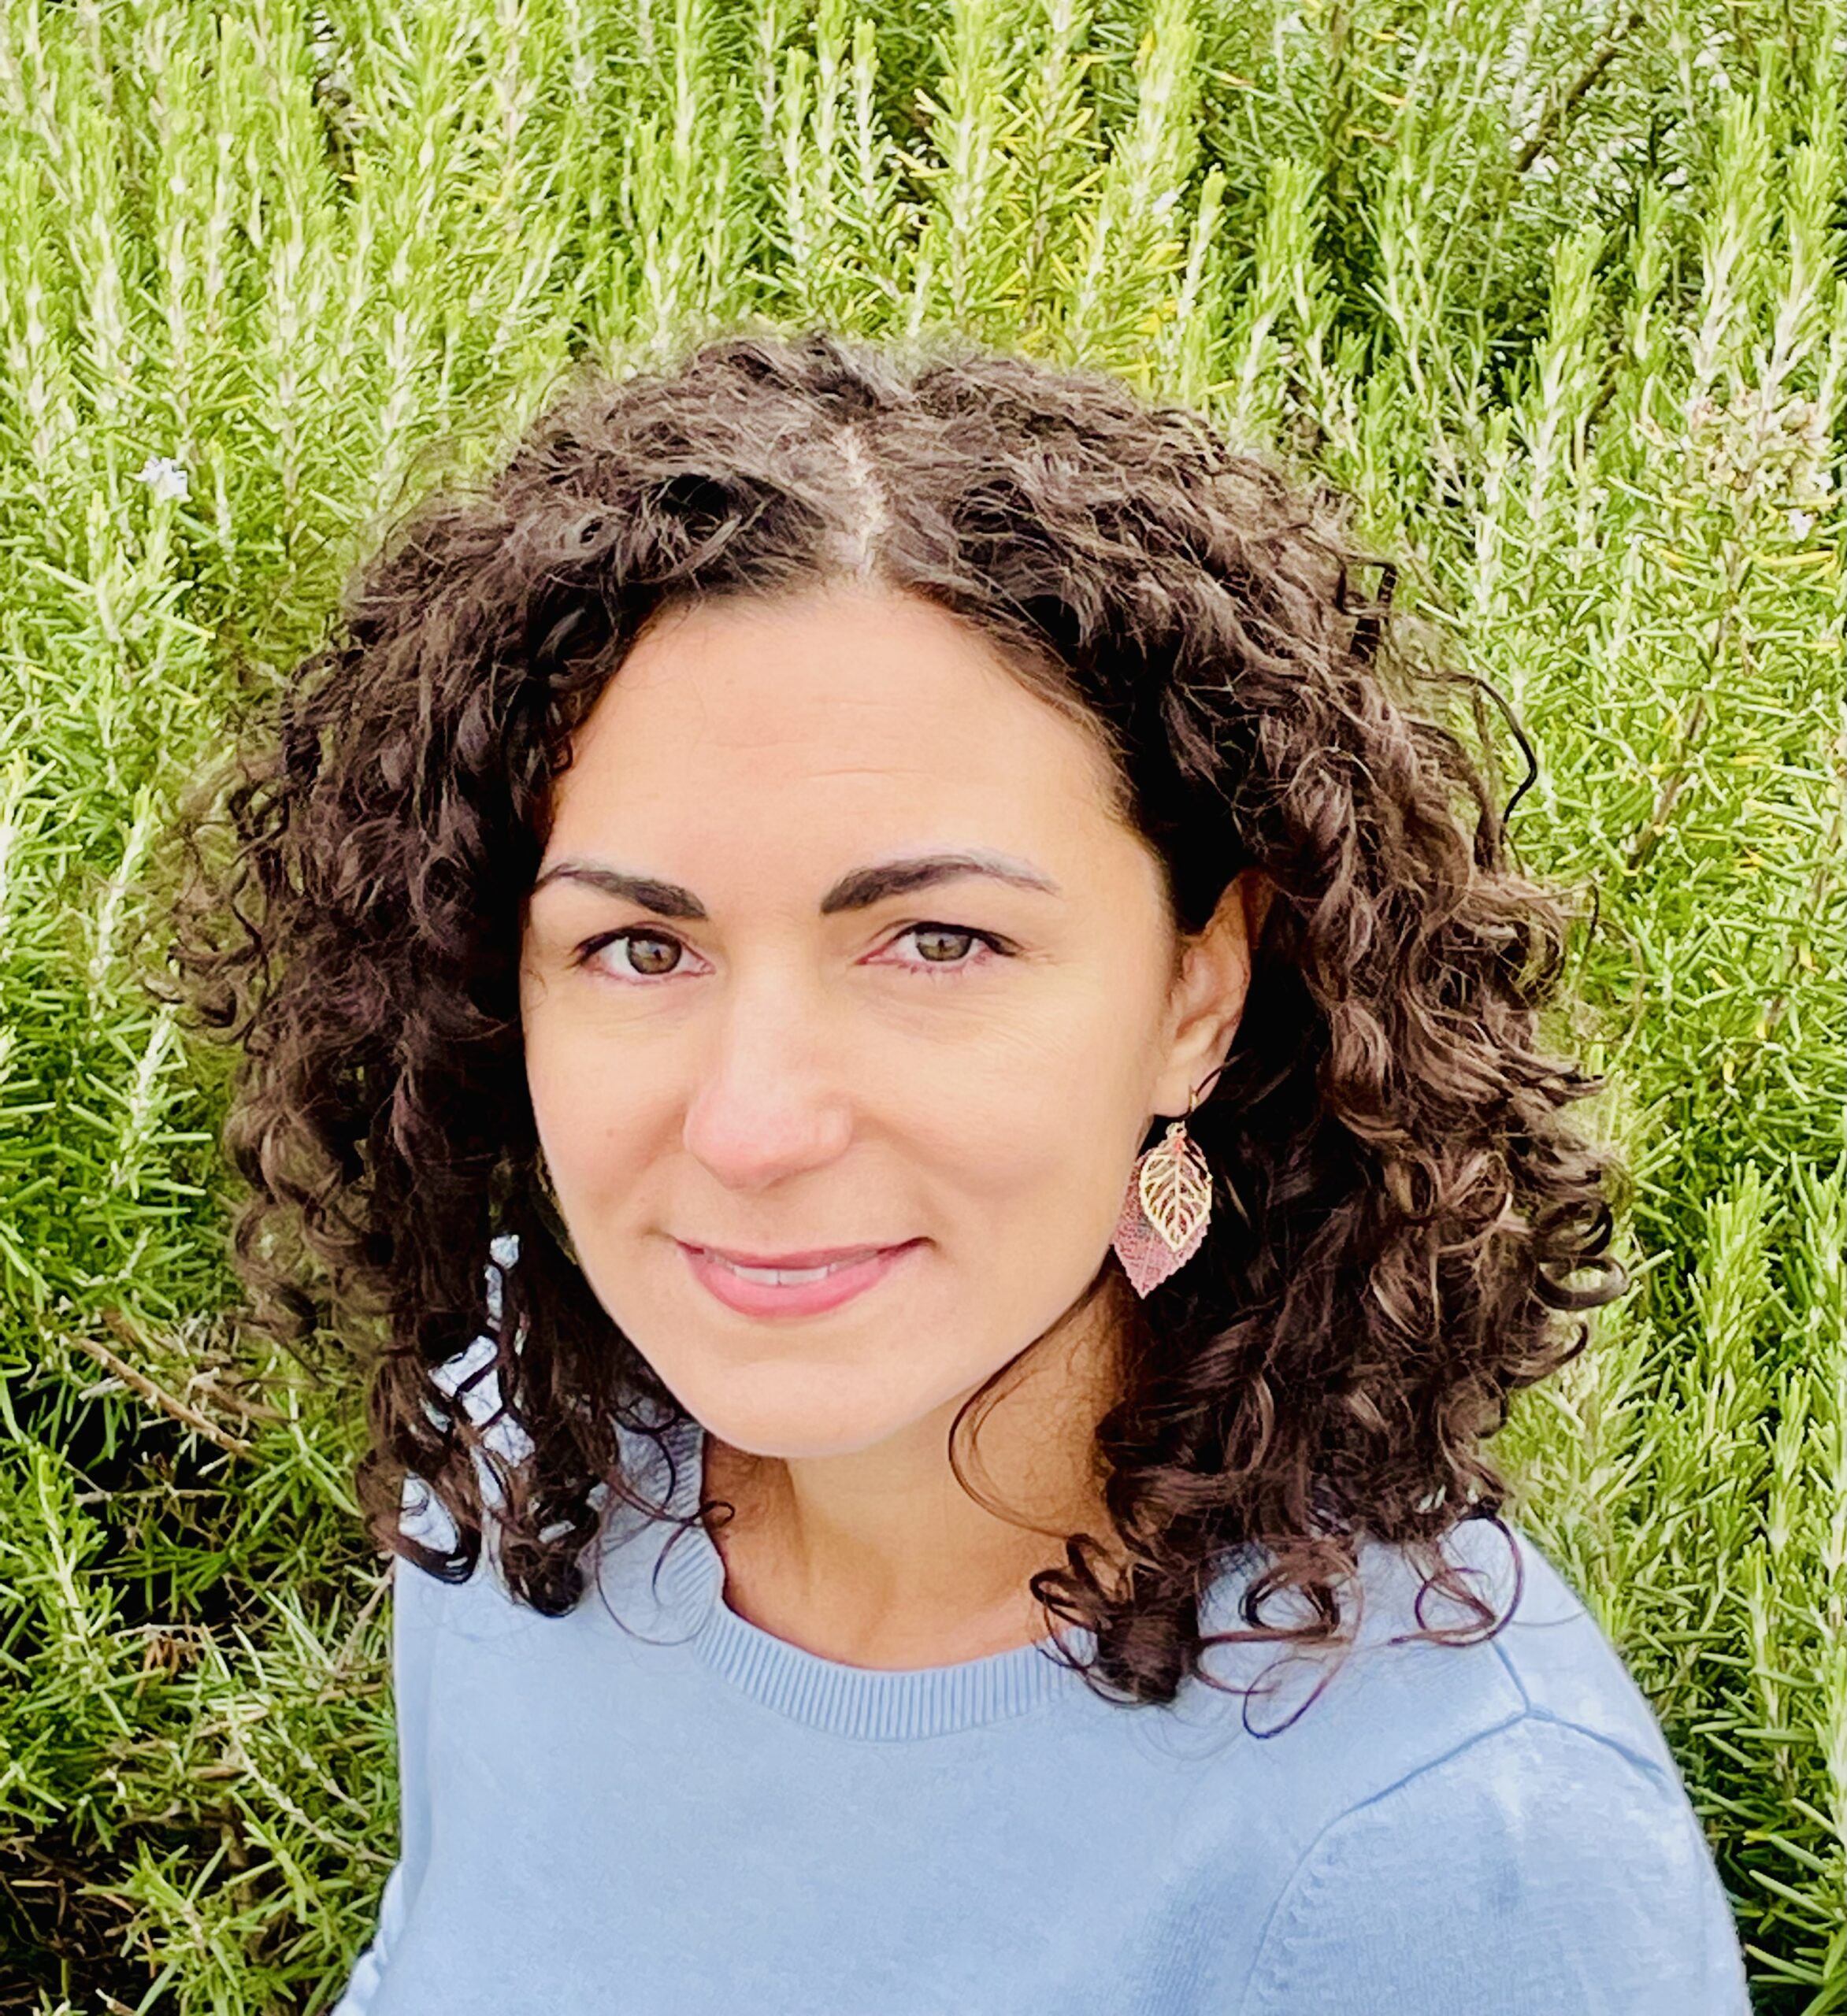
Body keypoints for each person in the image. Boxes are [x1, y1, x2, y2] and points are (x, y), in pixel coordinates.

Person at [166, 327, 1752, 2013]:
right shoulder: (519, 1442)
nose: (755, 1126)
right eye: (640, 946)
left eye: (939, 940)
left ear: (1194, 993)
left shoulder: (1457, 1855)